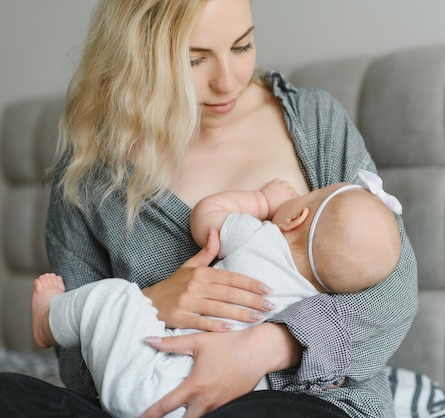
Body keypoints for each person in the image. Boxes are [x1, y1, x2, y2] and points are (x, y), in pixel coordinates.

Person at [0, 0, 418, 417]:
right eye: (194, 60)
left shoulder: (313, 120)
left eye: (242, 46)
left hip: (305, 400)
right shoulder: (89, 173)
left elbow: (393, 290)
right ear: (135, 56)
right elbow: (75, 365)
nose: (228, 81)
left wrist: (263, 349)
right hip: (155, 398)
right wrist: (154, 304)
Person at [31, 174, 403, 418]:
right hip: (218, 402)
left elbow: (206, 216)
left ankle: (50, 322)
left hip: (154, 383)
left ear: (294, 219)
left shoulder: (263, 239)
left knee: (115, 296)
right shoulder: (316, 303)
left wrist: (261, 200)